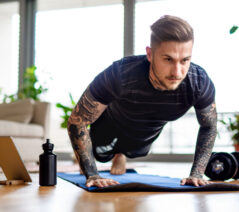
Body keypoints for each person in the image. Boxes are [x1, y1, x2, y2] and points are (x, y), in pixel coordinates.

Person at [67, 15, 217, 188]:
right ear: (150, 54)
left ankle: (121, 154)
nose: (177, 71)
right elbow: (77, 121)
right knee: (99, 153)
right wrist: (92, 173)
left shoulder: (198, 82)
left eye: (185, 60)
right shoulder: (121, 73)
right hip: (111, 121)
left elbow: (209, 126)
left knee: (137, 151)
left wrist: (197, 173)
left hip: (146, 130)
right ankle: (104, 157)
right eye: (168, 59)